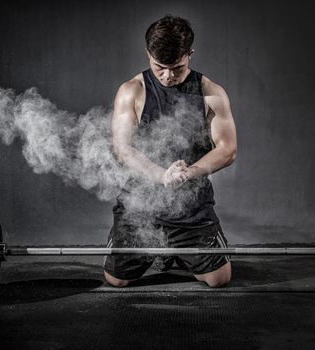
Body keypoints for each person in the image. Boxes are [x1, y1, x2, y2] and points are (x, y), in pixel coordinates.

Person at [103, 14, 237, 288]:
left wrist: (190, 173)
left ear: (190, 54)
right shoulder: (132, 91)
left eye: (176, 67)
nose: (167, 75)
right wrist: (160, 175)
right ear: (148, 54)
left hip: (191, 210)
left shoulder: (211, 93)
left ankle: (178, 252)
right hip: (140, 208)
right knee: (115, 281)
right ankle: (148, 248)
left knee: (219, 280)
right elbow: (122, 148)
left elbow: (228, 149)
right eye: (159, 66)